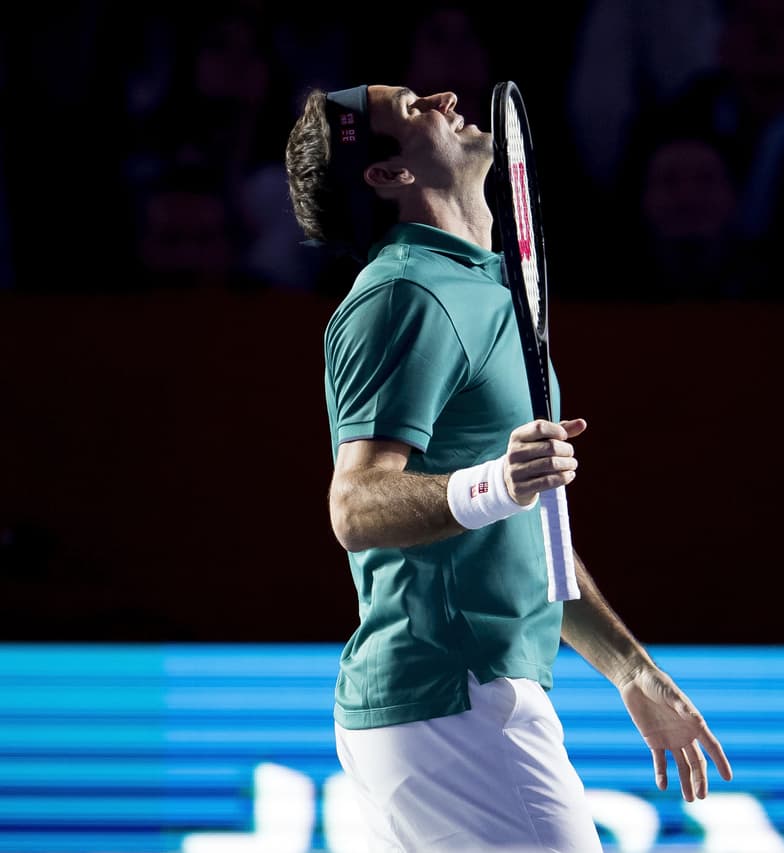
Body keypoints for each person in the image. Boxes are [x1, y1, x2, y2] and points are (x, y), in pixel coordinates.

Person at [284, 83, 733, 851]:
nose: (445, 95)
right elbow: (353, 506)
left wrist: (630, 669)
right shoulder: (402, 294)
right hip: (452, 698)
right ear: (387, 176)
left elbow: (529, 539)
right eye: (411, 107)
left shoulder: (477, 287)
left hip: (460, 700)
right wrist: (498, 480)